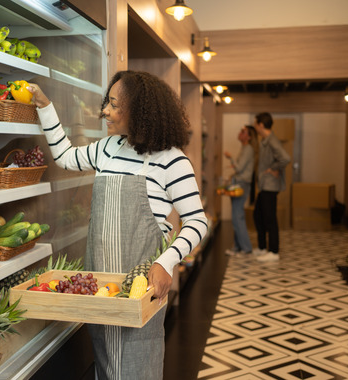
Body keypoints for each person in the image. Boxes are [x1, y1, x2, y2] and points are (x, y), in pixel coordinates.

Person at [28, 70, 208, 380]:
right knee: (105, 361)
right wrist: (45, 105)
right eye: (106, 102)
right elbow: (66, 157)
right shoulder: (107, 148)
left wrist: (166, 263)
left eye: (114, 104)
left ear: (140, 111)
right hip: (102, 291)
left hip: (141, 293)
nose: (105, 112)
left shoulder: (172, 160)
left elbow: (197, 221)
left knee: (138, 363)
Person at [252, 112, 290, 262]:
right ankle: (262, 247)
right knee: (258, 216)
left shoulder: (272, 141)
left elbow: (286, 158)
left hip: (270, 186)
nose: (255, 127)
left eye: (256, 124)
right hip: (264, 185)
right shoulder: (266, 140)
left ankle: (273, 251)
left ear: (261, 125)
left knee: (270, 219)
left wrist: (273, 168)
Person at [224, 125, 258, 256]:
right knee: (236, 216)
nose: (240, 133)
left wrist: (230, 157)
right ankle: (238, 246)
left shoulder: (248, 149)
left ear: (249, 137)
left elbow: (239, 168)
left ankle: (245, 247)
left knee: (238, 216)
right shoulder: (245, 148)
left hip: (242, 184)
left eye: (243, 132)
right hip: (240, 182)